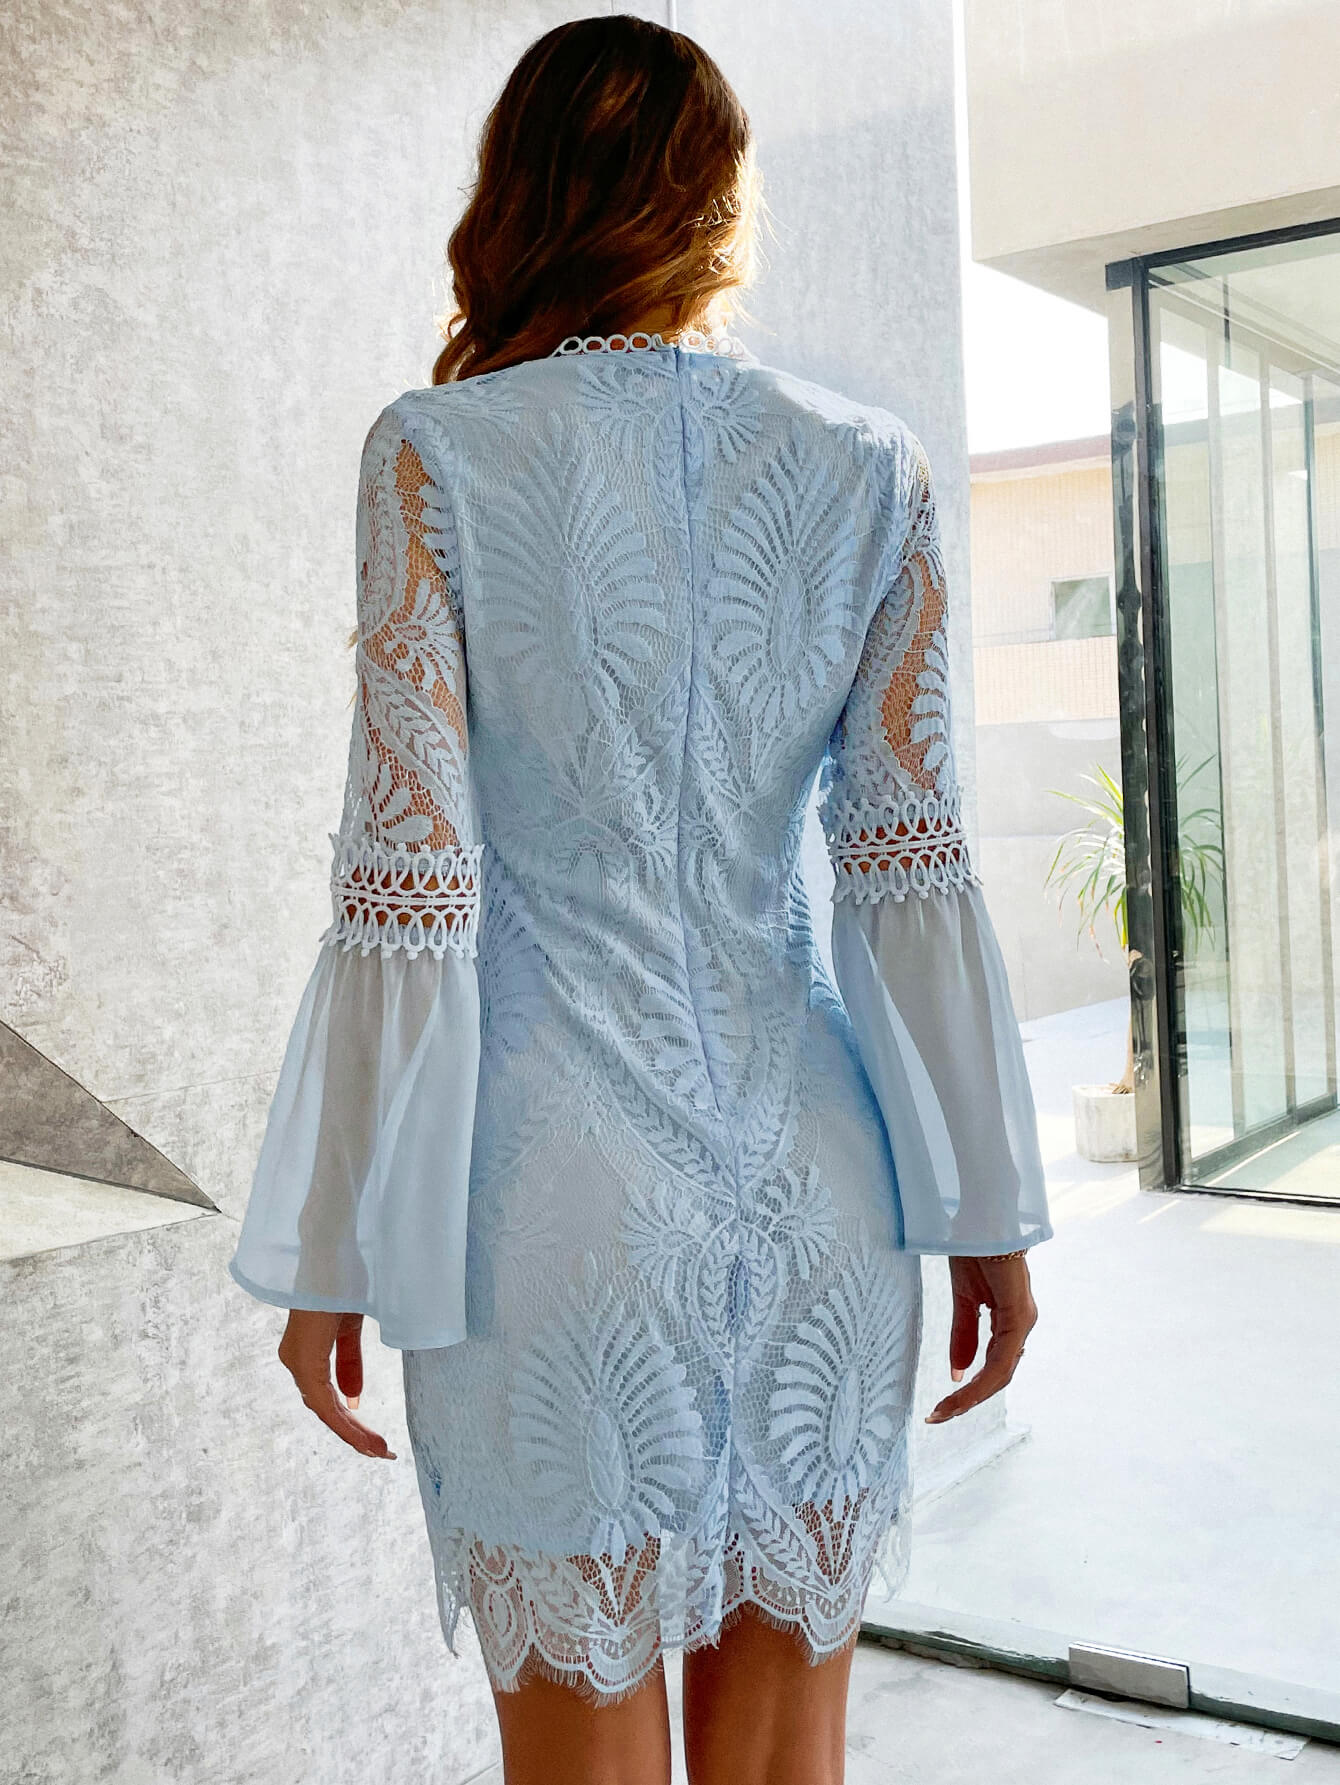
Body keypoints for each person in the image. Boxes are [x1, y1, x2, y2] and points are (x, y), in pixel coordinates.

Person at [228, 14, 1052, 1783]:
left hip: (551, 1202)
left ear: (514, 196)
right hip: (825, 1190)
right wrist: (982, 1203)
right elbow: (905, 866)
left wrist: (334, 1245)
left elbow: (407, 890)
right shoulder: (870, 468)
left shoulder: (434, 458)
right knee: (785, 1763)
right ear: (717, 204)